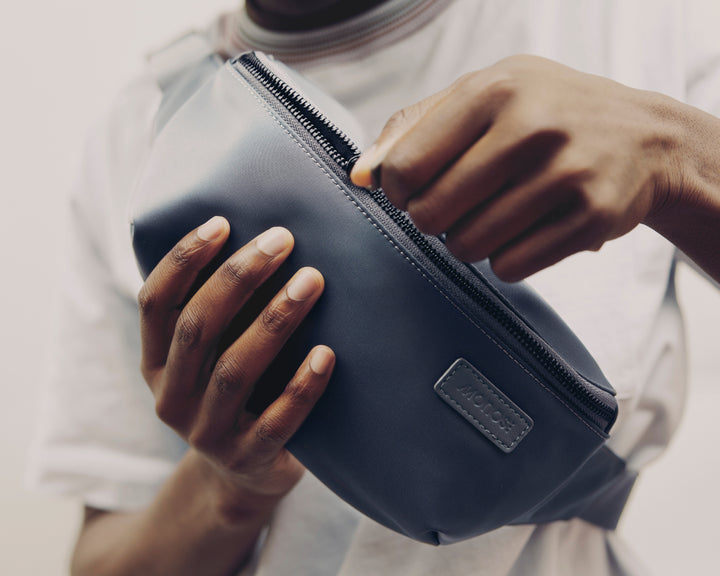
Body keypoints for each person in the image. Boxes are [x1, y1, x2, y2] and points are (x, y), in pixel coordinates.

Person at [30, 1, 720, 575]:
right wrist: (227, 487)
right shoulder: (139, 129)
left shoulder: (630, 18)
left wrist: (674, 155)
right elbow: (103, 557)